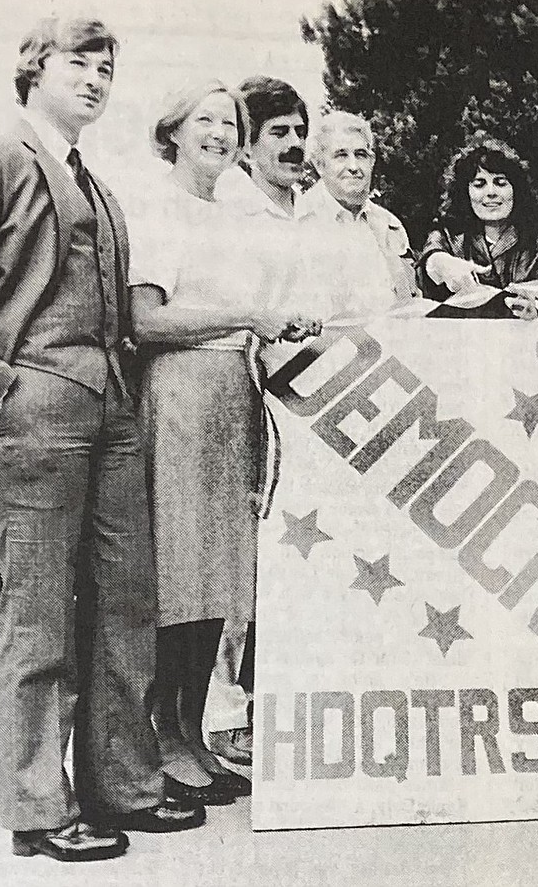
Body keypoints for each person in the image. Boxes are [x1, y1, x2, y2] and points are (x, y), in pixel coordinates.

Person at [0, 17, 205, 862]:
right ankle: (39, 808)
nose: (94, 79)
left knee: (127, 600)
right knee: (38, 611)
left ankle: (124, 783)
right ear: (32, 70)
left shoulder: (94, 178)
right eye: (77, 63)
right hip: (35, 404)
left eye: (106, 68)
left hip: (111, 403)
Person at [129, 80, 319, 807]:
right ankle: (161, 735)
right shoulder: (156, 207)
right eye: (204, 119)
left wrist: (279, 322)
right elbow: (146, 321)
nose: (219, 132)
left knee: (218, 574)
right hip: (177, 393)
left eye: (228, 122)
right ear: (173, 129)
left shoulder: (234, 215)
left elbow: (252, 311)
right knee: (179, 569)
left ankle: (191, 729)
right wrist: (247, 314)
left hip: (232, 396)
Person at [206, 75, 311, 768]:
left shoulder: (304, 207)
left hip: (301, 399)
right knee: (236, 560)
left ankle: (275, 699)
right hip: (242, 392)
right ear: (246, 146)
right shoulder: (232, 208)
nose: (296, 144)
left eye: (301, 130)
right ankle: (228, 715)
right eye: (279, 131)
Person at [418, 137, 538, 319]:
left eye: (500, 182)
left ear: (516, 189)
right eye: (479, 184)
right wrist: (439, 262)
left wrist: (535, 309)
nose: (491, 192)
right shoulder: (448, 235)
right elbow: (430, 257)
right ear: (465, 192)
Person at [302, 111, 417, 317]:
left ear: (372, 161)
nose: (354, 167)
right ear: (320, 165)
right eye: (341, 155)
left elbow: (409, 302)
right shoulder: (296, 222)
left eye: (361, 155)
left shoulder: (390, 226)